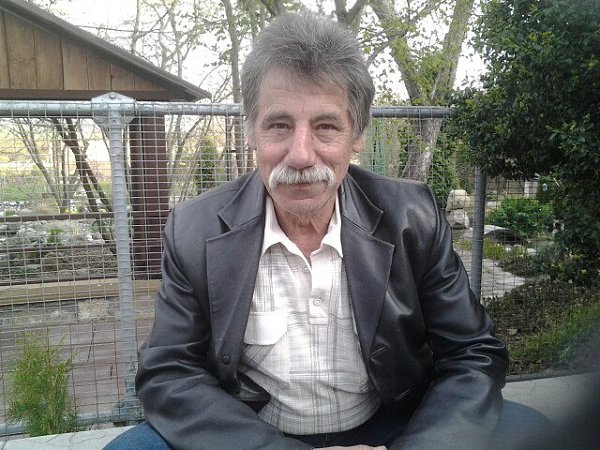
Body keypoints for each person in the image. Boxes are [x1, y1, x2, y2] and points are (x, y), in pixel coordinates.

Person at [105, 11, 522, 450]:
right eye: (279, 125)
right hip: (253, 435)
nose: (301, 155)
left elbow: (472, 353)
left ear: (357, 135)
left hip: (391, 426)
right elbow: (169, 372)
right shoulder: (195, 229)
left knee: (531, 430)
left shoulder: (412, 218)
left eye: (325, 126)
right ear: (251, 132)